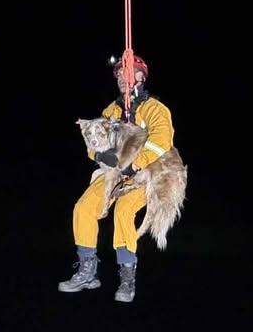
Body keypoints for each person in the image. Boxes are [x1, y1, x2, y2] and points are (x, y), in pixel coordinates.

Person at [58, 55, 177, 304]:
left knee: (124, 211)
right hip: (114, 172)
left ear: (141, 76)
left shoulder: (154, 108)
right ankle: (87, 271)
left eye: (128, 72)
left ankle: (127, 276)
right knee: (83, 208)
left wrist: (136, 164)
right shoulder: (111, 111)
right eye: (119, 74)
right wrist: (101, 156)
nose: (122, 77)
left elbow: (161, 141)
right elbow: (92, 142)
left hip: (145, 174)